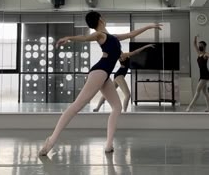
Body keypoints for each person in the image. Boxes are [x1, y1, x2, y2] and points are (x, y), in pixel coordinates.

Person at [39, 11, 162, 155]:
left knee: (117, 107)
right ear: (100, 20)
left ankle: (109, 145)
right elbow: (85, 37)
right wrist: (69, 38)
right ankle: (51, 141)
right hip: (99, 72)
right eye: (103, 17)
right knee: (76, 106)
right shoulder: (100, 35)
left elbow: (131, 34)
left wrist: (149, 26)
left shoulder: (113, 37)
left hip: (104, 76)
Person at [93, 44, 155, 113]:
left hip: (118, 75)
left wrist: (146, 47)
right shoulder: (123, 55)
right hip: (119, 75)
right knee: (128, 95)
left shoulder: (121, 55)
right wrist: (146, 46)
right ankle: (124, 112)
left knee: (108, 93)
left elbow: (136, 53)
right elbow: (136, 52)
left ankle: (97, 108)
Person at [186, 35, 209, 112]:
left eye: (201, 46)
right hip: (202, 75)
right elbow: (194, 44)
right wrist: (195, 37)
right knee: (205, 92)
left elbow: (208, 55)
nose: (199, 46)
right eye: (199, 45)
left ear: (204, 46)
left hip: (205, 75)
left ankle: (190, 106)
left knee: (197, 91)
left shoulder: (206, 54)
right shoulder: (199, 53)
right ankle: (208, 108)